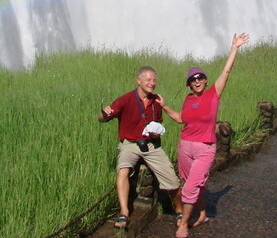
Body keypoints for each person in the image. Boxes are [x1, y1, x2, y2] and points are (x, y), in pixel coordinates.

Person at [158, 33, 250, 238]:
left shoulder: (213, 94)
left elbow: (227, 70)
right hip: (185, 146)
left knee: (190, 187)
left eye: (200, 77)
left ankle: (183, 224)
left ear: (206, 80)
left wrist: (234, 47)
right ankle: (202, 214)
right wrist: (164, 106)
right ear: (189, 84)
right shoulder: (188, 99)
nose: (197, 81)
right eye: (192, 79)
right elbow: (182, 118)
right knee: (191, 184)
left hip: (204, 148)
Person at [98, 66, 180, 230]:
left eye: (154, 80)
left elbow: (159, 121)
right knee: (123, 170)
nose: (152, 83)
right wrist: (104, 113)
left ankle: (179, 211)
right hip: (130, 143)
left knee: (172, 178)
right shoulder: (125, 99)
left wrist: (156, 130)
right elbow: (102, 118)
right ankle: (124, 212)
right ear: (138, 81)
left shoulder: (157, 101)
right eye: (148, 80)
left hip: (151, 144)